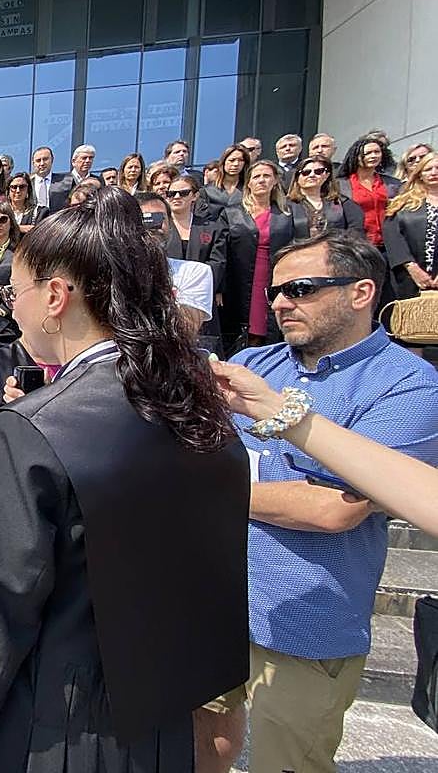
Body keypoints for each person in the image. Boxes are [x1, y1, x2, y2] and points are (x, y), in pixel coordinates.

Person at [0, 188, 250, 773]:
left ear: (55, 295)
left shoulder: (31, 430)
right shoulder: (198, 406)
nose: (11, 308)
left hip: (56, 732)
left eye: (13, 292)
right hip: (162, 725)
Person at [197, 230, 438, 773]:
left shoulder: (409, 386)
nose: (280, 302)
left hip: (307, 619)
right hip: (216, 600)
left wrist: (208, 493)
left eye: (301, 289)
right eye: (275, 292)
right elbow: (203, 456)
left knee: (289, 763)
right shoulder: (255, 363)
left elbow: (337, 509)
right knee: (204, 744)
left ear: (361, 292)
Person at [211, 359, 438, 538]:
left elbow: (332, 507)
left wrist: (201, 491)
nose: (279, 303)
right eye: (272, 296)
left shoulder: (409, 380)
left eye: (298, 295)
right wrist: (268, 406)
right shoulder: (249, 361)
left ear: (359, 297)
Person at [222, 160, 298, 352]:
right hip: (242, 279)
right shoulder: (232, 213)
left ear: (275, 181)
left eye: (266, 176)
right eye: (256, 176)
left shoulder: (288, 213)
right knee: (248, 328)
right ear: (248, 183)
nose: (261, 181)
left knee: (270, 325)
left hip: (275, 275)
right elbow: (223, 251)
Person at [337, 135, 403, 304]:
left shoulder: (392, 184)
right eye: (368, 153)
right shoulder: (341, 185)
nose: (373, 156)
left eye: (377, 152)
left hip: (387, 246)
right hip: (359, 244)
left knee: (389, 293)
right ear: (356, 156)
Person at [138, 193, 215, 336]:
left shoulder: (196, 272)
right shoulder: (113, 272)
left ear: (170, 224)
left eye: (159, 218)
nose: (154, 225)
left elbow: (183, 334)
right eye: (145, 218)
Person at [383, 150, 438, 297]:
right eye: (428, 169)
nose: (434, 172)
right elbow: (393, 237)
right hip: (408, 278)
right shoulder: (402, 203)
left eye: (437, 168)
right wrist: (412, 268)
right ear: (420, 174)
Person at [285, 157, 366, 237]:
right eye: (306, 172)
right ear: (297, 177)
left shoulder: (343, 203)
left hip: (336, 248)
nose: (312, 175)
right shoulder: (286, 205)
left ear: (327, 175)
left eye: (318, 171)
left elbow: (356, 233)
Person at [204, 144, 251, 221]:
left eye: (240, 160)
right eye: (232, 160)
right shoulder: (206, 191)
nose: (236, 164)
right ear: (224, 162)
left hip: (241, 230)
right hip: (216, 230)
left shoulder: (249, 189)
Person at [49, 144, 96, 212]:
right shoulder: (60, 181)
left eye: (91, 158)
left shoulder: (97, 181)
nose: (88, 161)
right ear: (73, 161)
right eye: (84, 158)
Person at [29, 145, 56, 211]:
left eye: (45, 159)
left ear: (52, 160)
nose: (42, 163)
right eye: (38, 160)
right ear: (33, 163)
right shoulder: (27, 184)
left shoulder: (66, 181)